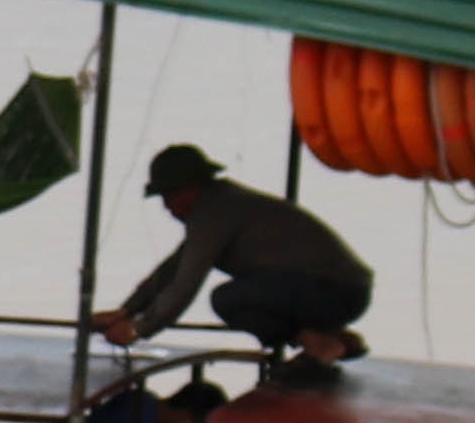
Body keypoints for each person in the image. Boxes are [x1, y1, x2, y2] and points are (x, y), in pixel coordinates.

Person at [99, 142, 375, 366]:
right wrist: (127, 310)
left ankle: (317, 341)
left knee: (227, 299)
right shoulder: (219, 206)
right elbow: (174, 268)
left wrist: (138, 329)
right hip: (345, 290)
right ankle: (330, 336)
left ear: (191, 189)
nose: (168, 207)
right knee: (242, 296)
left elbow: (185, 285)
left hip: (334, 291)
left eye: (170, 197)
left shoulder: (214, 212)